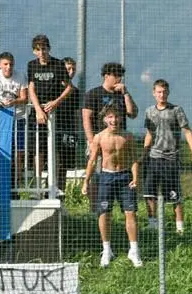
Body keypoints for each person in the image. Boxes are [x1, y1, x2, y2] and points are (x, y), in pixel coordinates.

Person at [81, 104, 142, 268]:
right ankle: (106, 250)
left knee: (130, 213)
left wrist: (136, 178)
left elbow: (134, 159)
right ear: (104, 119)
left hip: (125, 177)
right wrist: (86, 181)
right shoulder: (99, 137)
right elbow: (92, 161)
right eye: (110, 117)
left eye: (116, 116)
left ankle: (134, 250)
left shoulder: (128, 136)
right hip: (106, 177)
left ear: (121, 118)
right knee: (104, 213)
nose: (114, 120)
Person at [142, 79, 192, 234]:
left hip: (171, 158)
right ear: (154, 93)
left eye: (165, 92)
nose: (162, 95)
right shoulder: (149, 111)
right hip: (154, 158)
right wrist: (143, 154)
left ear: (168, 92)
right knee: (150, 193)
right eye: (159, 92)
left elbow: (187, 131)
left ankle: (180, 228)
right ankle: (153, 225)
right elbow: (149, 134)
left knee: (174, 196)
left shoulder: (176, 110)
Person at [81, 62, 137, 208]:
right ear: (106, 76)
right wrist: (91, 140)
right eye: (116, 76)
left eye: (121, 76)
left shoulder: (122, 94)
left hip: (119, 141)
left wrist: (126, 93)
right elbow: (86, 118)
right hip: (99, 140)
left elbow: (132, 113)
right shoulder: (93, 94)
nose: (119, 79)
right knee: (96, 174)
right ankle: (95, 209)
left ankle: (120, 205)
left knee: (120, 171)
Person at [27, 34, 72, 198]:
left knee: (56, 149)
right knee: (39, 150)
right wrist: (38, 109)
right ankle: (38, 187)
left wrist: (55, 102)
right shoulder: (32, 65)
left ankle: (54, 185)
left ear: (49, 49)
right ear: (34, 51)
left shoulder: (58, 64)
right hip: (37, 114)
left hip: (55, 113)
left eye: (44, 49)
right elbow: (31, 88)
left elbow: (69, 88)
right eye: (38, 50)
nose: (42, 53)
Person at [0, 52, 29, 183]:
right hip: (0, 120)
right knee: (0, 149)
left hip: (18, 118)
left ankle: (17, 181)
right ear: (0, 64)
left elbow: (24, 98)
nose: (8, 67)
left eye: (11, 64)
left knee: (19, 151)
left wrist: (14, 102)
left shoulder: (20, 76)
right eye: (5, 64)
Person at [57, 57, 83, 177]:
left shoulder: (75, 92)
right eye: (68, 69)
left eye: (73, 69)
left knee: (65, 163)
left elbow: (77, 113)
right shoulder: (53, 88)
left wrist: (76, 131)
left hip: (68, 130)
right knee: (52, 160)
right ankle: (47, 190)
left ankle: (60, 193)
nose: (71, 72)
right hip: (54, 128)